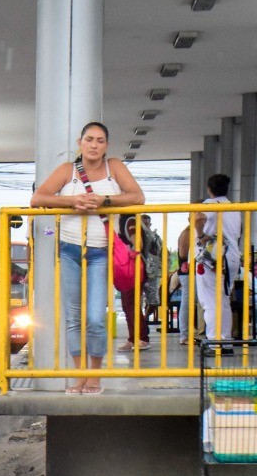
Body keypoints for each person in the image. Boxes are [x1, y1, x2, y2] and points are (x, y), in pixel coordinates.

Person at [32, 121, 145, 394]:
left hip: (101, 251)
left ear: (106, 146)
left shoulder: (114, 167)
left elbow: (138, 197)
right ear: (80, 143)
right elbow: (38, 198)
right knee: (73, 317)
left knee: (95, 316)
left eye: (100, 140)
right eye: (90, 139)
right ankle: (79, 375)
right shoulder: (66, 171)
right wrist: (74, 201)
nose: (94, 145)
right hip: (69, 248)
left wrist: (103, 201)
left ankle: (95, 376)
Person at [178, 173, 242, 346]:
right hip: (232, 257)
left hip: (211, 258)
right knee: (224, 299)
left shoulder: (208, 205)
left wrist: (201, 236)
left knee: (209, 301)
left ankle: (214, 341)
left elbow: (198, 218)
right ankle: (226, 340)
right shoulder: (234, 209)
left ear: (209, 189)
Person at [116, 213, 161, 351]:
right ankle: (133, 338)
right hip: (134, 268)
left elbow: (138, 244)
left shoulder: (129, 222)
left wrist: (126, 256)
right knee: (128, 305)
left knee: (131, 305)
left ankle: (141, 338)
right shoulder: (131, 221)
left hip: (132, 268)